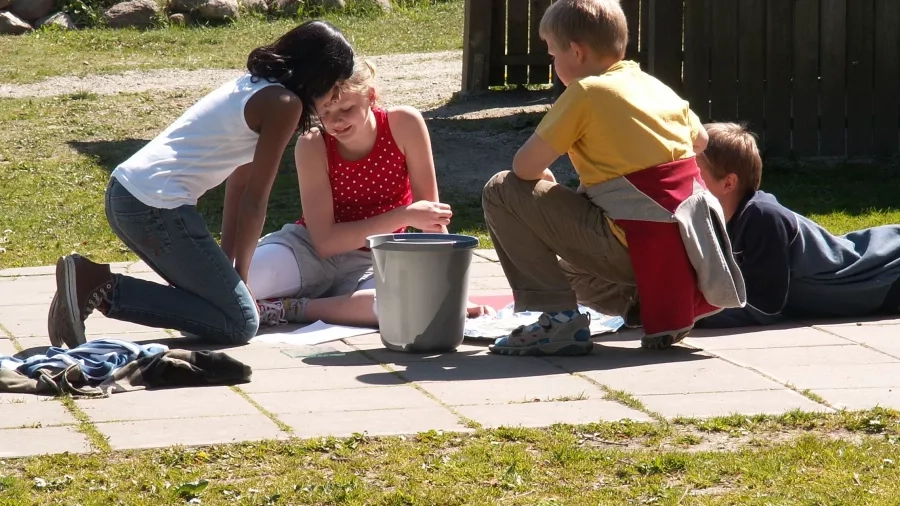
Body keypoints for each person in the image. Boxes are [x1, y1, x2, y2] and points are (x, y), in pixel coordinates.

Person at [47, 21, 356, 348]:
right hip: (155, 205)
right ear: (316, 75)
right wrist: (243, 278)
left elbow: (239, 187)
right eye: (334, 85)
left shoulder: (256, 87)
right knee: (241, 322)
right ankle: (97, 285)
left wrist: (228, 270)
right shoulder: (285, 105)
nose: (335, 97)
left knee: (222, 307)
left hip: (129, 194)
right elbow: (255, 201)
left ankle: (92, 286)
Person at [481, 0, 746, 357]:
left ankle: (557, 320)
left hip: (631, 242)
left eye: (552, 55)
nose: (553, 63)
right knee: (569, 272)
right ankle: (650, 302)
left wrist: (547, 179)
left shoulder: (586, 92)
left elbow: (522, 169)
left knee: (500, 189)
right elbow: (701, 141)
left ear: (576, 52)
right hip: (686, 247)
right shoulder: (652, 85)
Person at [247, 59, 494, 328]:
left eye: (346, 108)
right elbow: (325, 243)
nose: (336, 121)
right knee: (237, 283)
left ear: (371, 96)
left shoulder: (404, 124)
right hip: (306, 250)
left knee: (404, 304)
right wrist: (404, 216)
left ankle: (291, 308)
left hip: (375, 258)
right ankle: (310, 301)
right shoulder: (312, 143)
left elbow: (432, 223)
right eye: (325, 112)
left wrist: (455, 298)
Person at [695, 122, 900, 327]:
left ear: (728, 183)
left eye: (695, 172)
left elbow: (762, 308)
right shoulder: (713, 220)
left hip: (886, 276)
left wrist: (689, 318)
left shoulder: (762, 217)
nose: (687, 179)